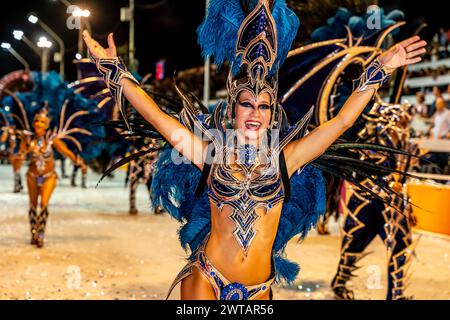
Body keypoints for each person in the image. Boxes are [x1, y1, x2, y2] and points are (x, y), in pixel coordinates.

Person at [83, 0, 426, 300]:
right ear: (233, 109)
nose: (255, 114)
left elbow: (340, 123)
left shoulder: (287, 159)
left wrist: (380, 68)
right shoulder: (209, 155)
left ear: (273, 112)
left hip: (259, 288)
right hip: (206, 278)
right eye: (247, 104)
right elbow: (157, 117)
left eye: (264, 106)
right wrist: (117, 72)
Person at [331, 101, 420, 300]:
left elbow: (400, 177)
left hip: (392, 204)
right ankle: (339, 282)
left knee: (399, 245)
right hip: (366, 203)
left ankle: (396, 295)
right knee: (353, 244)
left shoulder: (401, 139)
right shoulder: (370, 137)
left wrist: (407, 206)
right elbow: (358, 171)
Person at [13, 107, 88, 248]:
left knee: (44, 205)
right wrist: (23, 152)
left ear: (47, 125)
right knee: (33, 205)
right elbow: (18, 162)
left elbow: (66, 152)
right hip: (32, 176)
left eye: (42, 122)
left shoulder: (52, 140)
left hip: (49, 177)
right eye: (36, 120)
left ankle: (41, 234)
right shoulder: (27, 139)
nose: (38, 123)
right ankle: (33, 232)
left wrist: (80, 163)